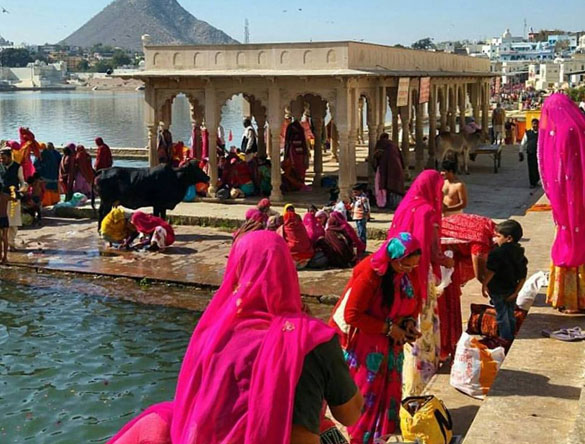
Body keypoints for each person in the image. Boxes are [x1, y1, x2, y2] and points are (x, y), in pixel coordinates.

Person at [107, 231, 363, 444]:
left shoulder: (211, 335)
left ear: (236, 275)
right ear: (289, 272)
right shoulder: (312, 338)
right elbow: (350, 415)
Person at [329, 233, 422, 442]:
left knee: (391, 392)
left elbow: (415, 301)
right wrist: (388, 329)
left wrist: (409, 323)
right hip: (369, 348)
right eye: (404, 266)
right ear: (393, 259)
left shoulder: (408, 273)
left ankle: (383, 435)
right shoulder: (371, 273)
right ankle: (361, 438)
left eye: (412, 266)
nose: (408, 270)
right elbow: (351, 315)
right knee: (367, 396)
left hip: (394, 348)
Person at [387, 170, 453, 397]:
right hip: (419, 275)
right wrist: (446, 260)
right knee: (419, 327)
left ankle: (402, 384)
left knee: (402, 322)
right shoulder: (426, 212)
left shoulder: (406, 206)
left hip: (400, 273)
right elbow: (428, 251)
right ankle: (417, 385)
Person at [539, 93, 585, 313]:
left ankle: (571, 299)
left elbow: (557, 168)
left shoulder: (562, 133)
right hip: (578, 197)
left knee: (569, 241)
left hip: (570, 198)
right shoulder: (579, 126)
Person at [439, 213, 495, 358]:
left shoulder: (490, 226)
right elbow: (479, 273)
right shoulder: (482, 240)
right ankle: (445, 343)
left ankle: (448, 342)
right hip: (441, 257)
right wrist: (489, 289)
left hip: (447, 250)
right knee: (444, 300)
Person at [481, 220, 528, 341]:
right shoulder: (519, 253)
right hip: (512, 288)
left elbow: (491, 271)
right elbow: (523, 275)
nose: (495, 239)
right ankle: (512, 333)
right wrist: (516, 292)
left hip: (498, 290)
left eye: (498, 236)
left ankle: (505, 338)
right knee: (510, 313)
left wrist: (484, 284)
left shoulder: (496, 253)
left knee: (501, 315)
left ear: (509, 238)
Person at [0, 147, 28, 250]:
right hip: (1, 198)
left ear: (9, 156)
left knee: (13, 222)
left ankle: (10, 243)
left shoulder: (17, 167)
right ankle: (5, 244)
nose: (2, 160)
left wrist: (22, 190)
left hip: (13, 197)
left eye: (4, 158)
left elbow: (22, 181)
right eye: (1, 158)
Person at [372, 133, 405, 209]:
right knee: (394, 186)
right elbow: (401, 157)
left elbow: (375, 157)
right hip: (396, 168)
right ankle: (394, 203)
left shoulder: (380, 144)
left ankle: (382, 203)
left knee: (382, 185)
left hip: (383, 168)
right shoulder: (393, 145)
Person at [277, 204, 314, 269]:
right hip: (306, 259)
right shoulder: (302, 227)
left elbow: (278, 240)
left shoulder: (283, 228)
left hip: (292, 260)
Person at [282, 120, 310, 192]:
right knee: (296, 172)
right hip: (298, 157)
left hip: (296, 157)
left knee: (296, 172)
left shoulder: (291, 144)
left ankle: (298, 185)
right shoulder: (298, 140)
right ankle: (299, 185)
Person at [34, 142, 61, 206]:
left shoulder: (40, 156)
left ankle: (46, 203)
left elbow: (36, 166)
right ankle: (54, 201)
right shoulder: (53, 155)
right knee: (53, 190)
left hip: (44, 178)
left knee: (46, 191)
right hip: (54, 177)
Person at [519, 118, 540, 188]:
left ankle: (537, 180)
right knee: (531, 168)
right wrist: (520, 152)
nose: (535, 126)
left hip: (539, 154)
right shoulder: (528, 133)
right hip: (530, 153)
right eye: (533, 124)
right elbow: (523, 143)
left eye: (536, 124)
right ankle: (532, 183)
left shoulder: (541, 133)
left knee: (538, 168)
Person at [0, 186, 11, 263]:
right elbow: (15, 200)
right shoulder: (6, 196)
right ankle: (5, 257)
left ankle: (0, 256)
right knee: (5, 238)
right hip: (5, 218)